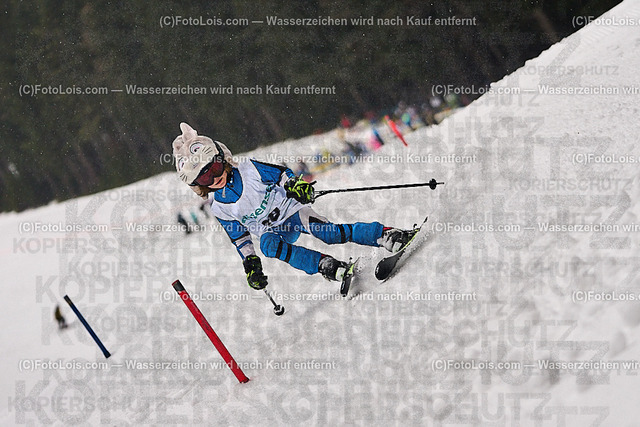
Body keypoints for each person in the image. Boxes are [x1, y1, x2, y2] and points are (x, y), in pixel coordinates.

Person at [172, 123, 414, 290]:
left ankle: (385, 234)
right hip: (271, 230)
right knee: (268, 246)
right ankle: (326, 265)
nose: (215, 178)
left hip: (291, 211)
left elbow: (281, 174)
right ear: (197, 185)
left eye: (215, 168)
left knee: (328, 233)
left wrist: (295, 186)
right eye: (205, 178)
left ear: (222, 158)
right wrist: (251, 263)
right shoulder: (219, 207)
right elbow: (240, 238)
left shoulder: (248, 169)